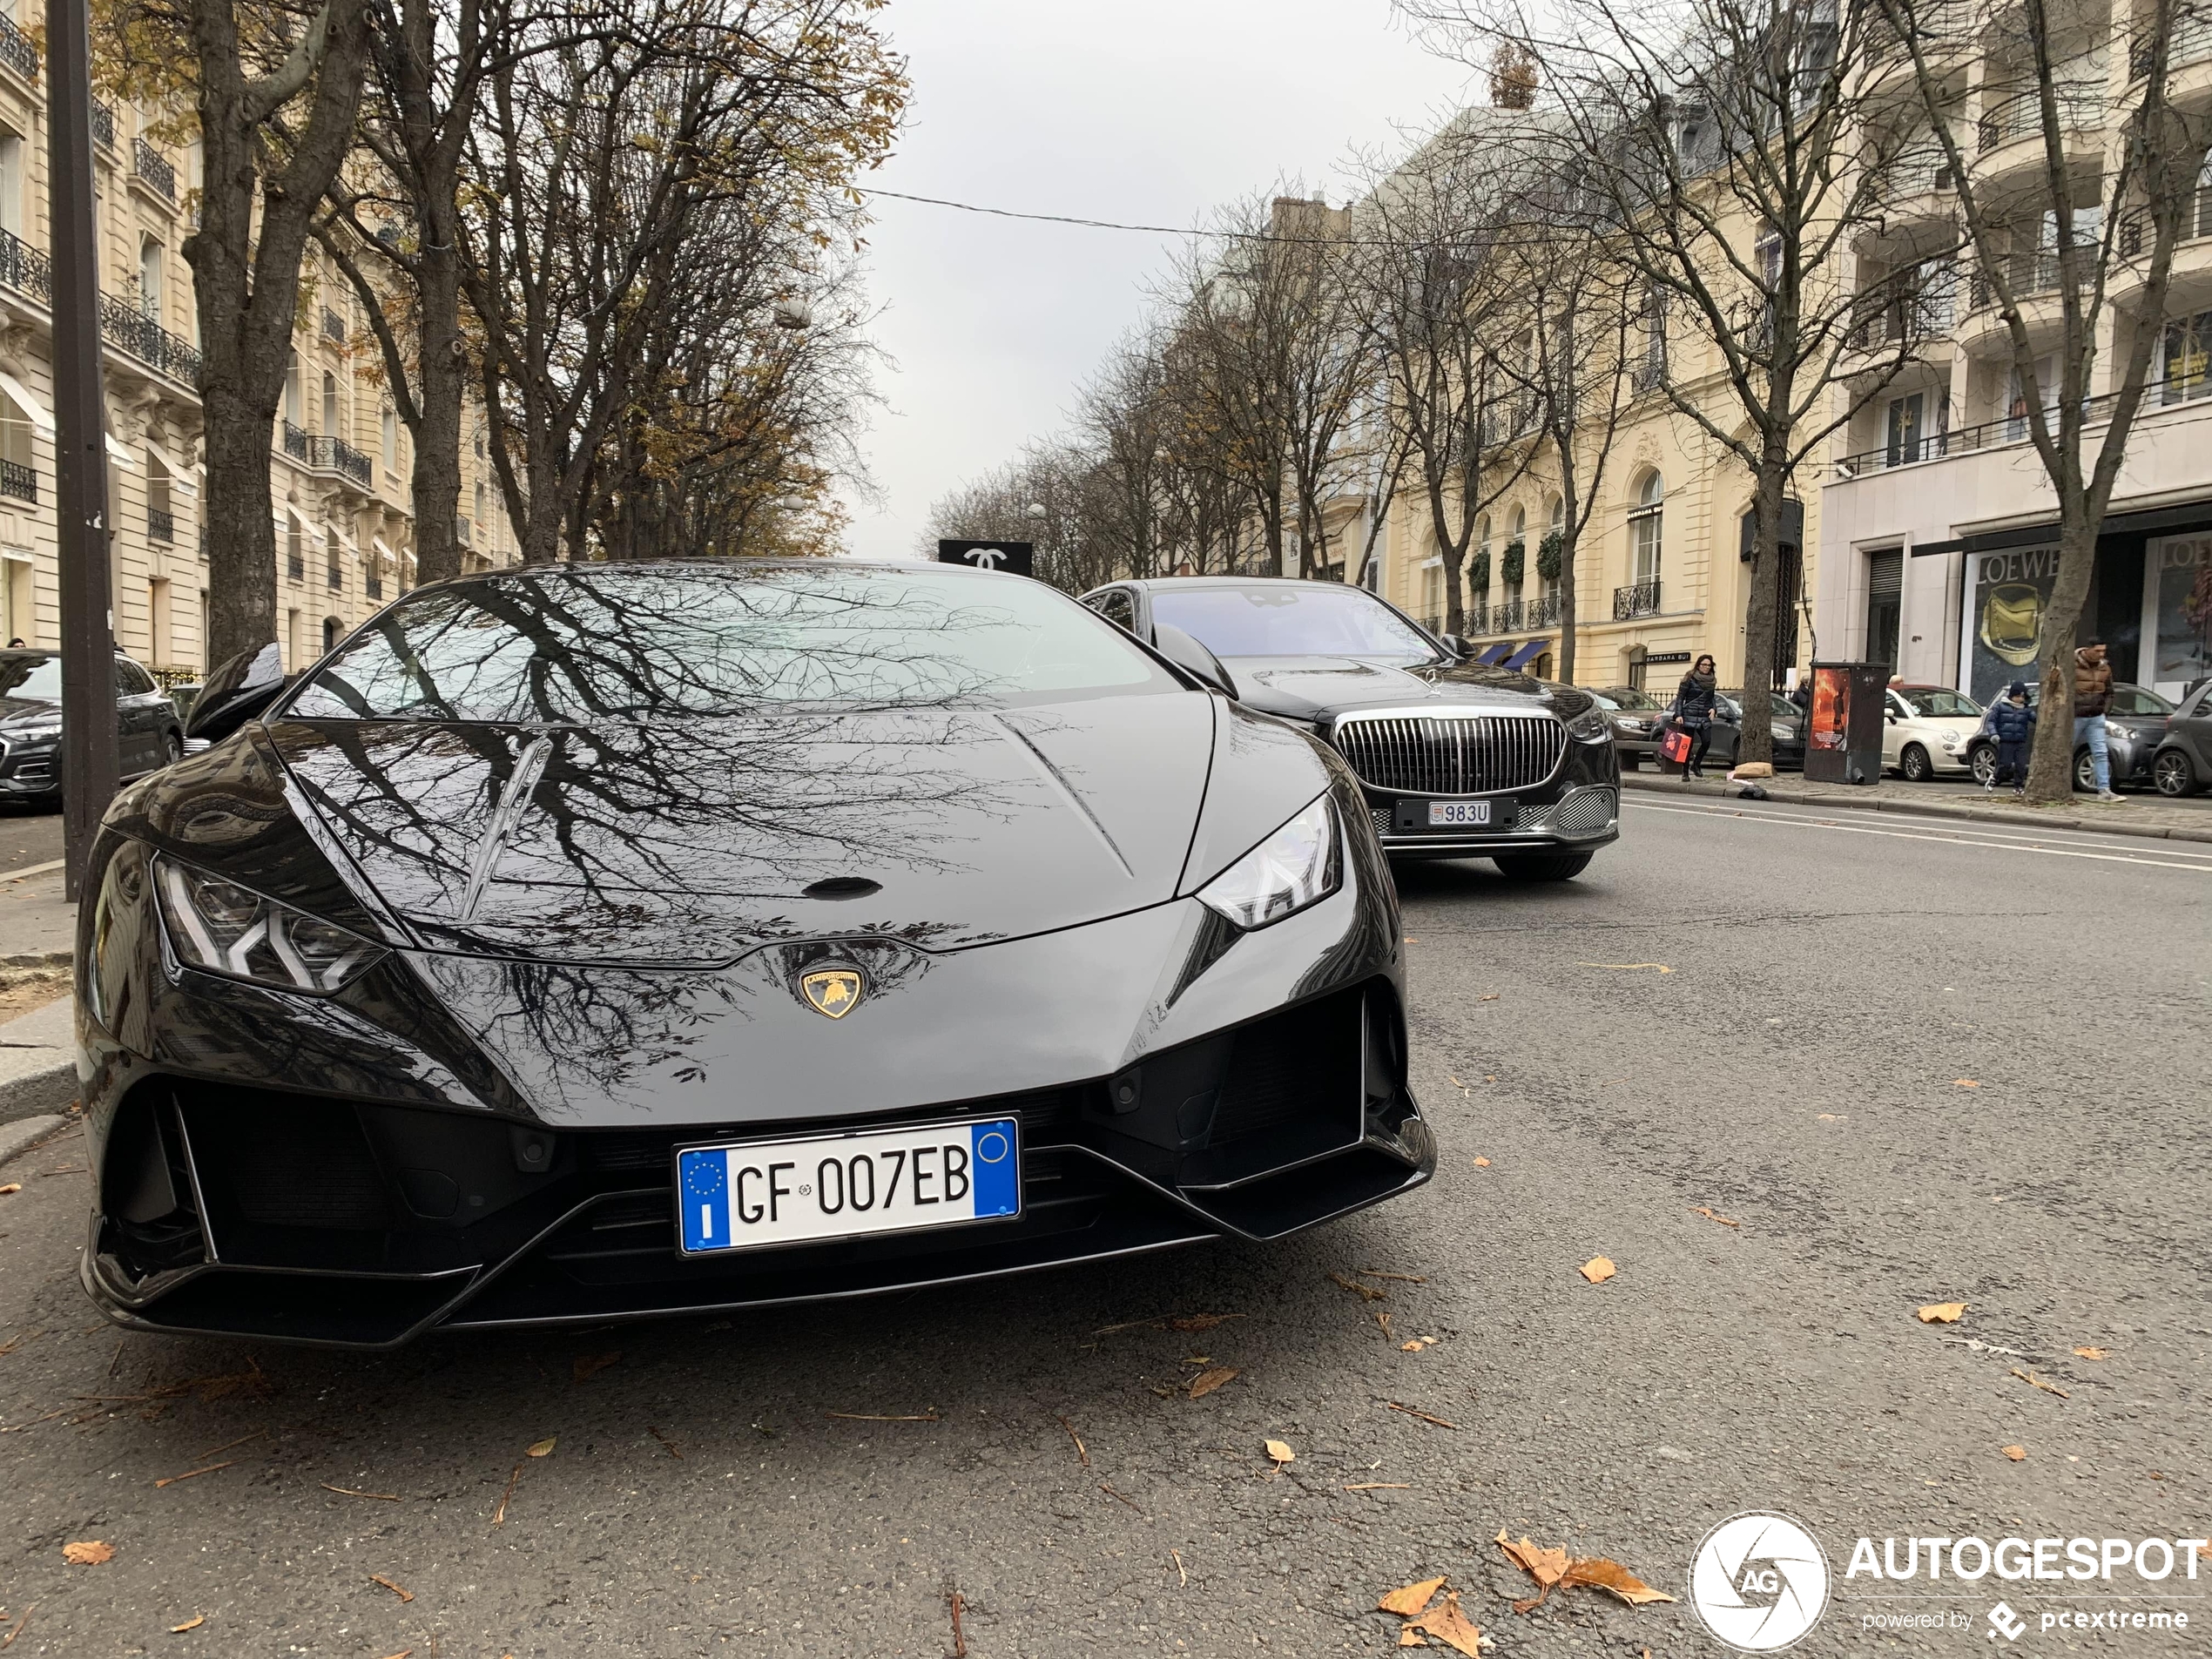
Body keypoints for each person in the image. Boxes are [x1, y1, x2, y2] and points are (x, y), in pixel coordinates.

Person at [2073, 641, 2121, 801]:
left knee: (2101, 752)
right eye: (2098, 650)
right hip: (2076, 716)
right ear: (2087, 649)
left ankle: (2104, 790)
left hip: (2096, 716)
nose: (2101, 654)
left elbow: (2110, 692)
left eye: (2103, 651)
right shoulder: (2073, 664)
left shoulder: (2104, 667)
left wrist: (2104, 711)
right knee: (2065, 751)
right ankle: (2058, 786)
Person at [1981, 680, 2037, 798]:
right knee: (2005, 764)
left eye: (2022, 697)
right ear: (2011, 696)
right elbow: (1991, 721)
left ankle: (2018, 786)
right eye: (2017, 696)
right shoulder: (2000, 707)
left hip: (2020, 740)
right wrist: (1994, 734)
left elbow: (2035, 719)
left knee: (2021, 765)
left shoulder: (2026, 710)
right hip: (2006, 740)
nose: (2020, 699)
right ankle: (1995, 778)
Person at [1671, 653, 1721, 781]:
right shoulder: (1690, 678)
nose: (1706, 667)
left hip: (1704, 715)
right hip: (1689, 714)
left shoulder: (1712, 680)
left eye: (1709, 665)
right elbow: (1680, 698)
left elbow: (1711, 697)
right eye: (1704, 664)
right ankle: (1685, 772)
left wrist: (1714, 709)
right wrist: (1678, 714)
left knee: (1706, 741)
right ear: (1698, 665)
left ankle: (1696, 764)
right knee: (1687, 745)